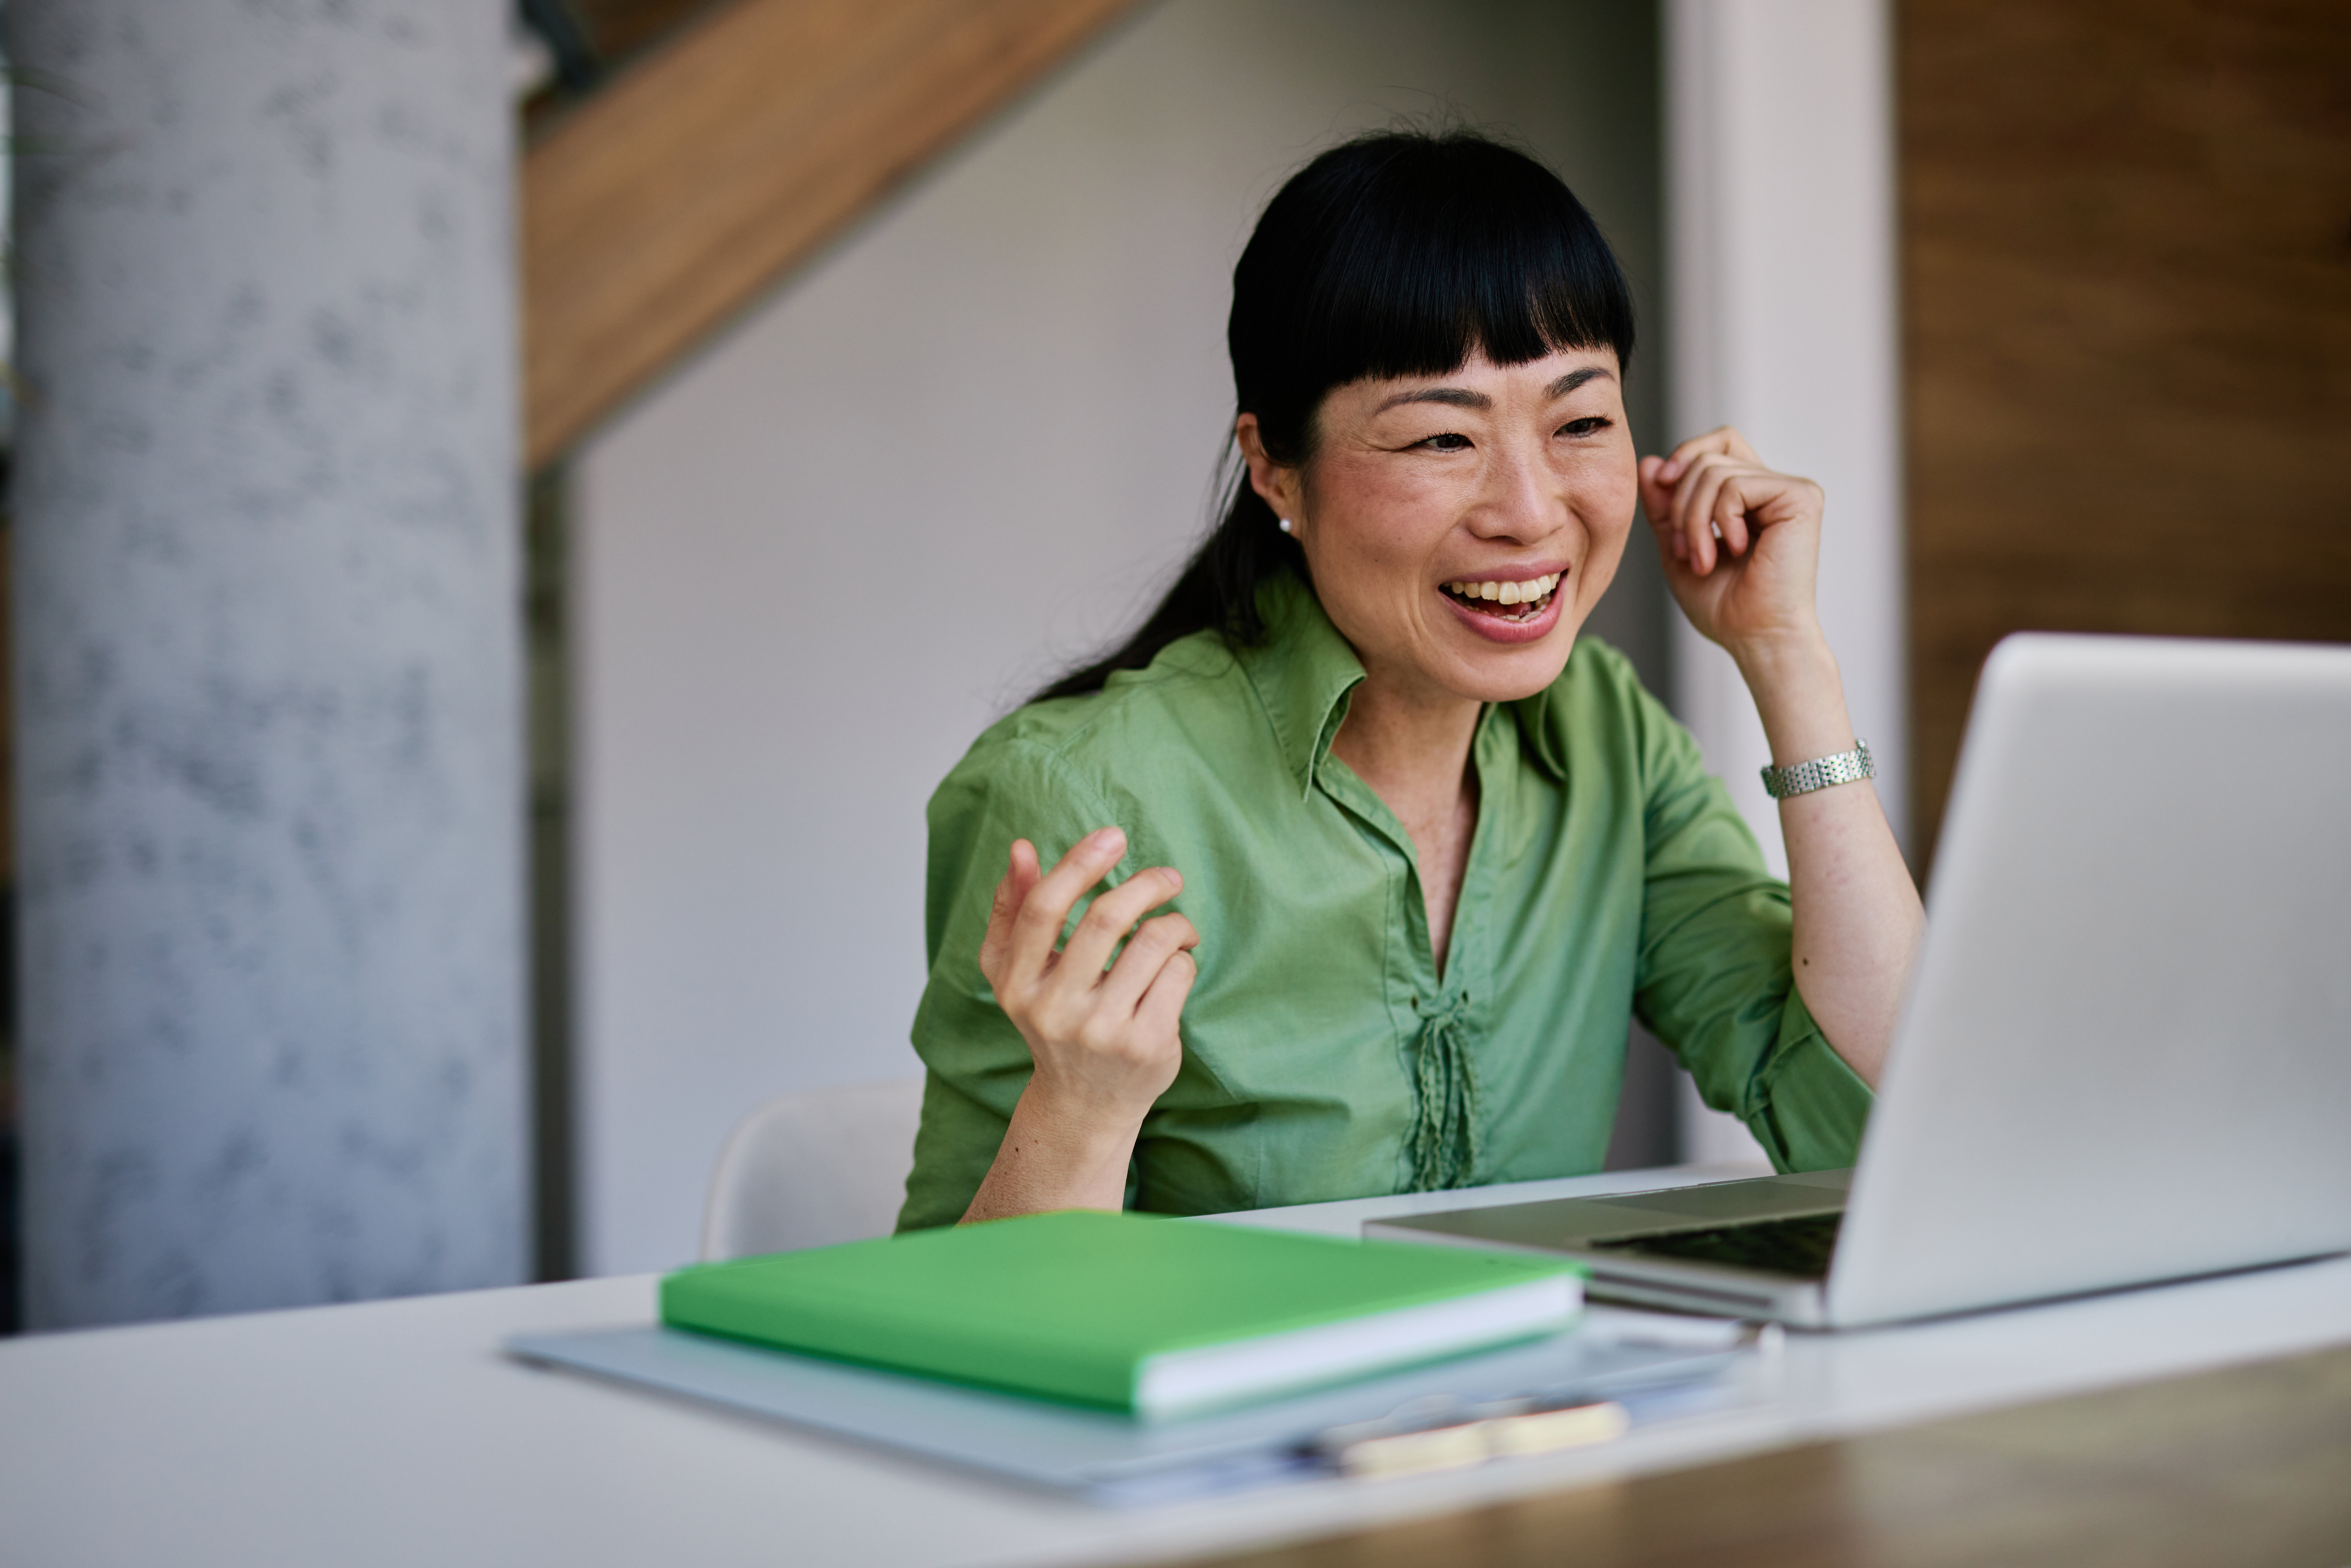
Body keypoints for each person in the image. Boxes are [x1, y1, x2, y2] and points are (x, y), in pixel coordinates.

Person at [895, 130, 1923, 1231]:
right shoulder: (1081, 796)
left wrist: (1786, 656)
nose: (1529, 512)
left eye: (1581, 423)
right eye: (1441, 440)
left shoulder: (1608, 736)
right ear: (1273, 466)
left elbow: (1885, 1128)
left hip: (1541, 1405)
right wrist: (1082, 1111)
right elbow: (969, 1321)